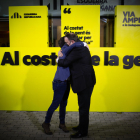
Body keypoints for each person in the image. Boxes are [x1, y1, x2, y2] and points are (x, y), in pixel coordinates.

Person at [42, 36, 86, 135]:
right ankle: (46, 123)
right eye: (67, 42)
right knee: (55, 104)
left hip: (67, 82)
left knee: (63, 104)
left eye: (68, 42)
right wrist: (85, 44)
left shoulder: (69, 51)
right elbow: (77, 44)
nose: (69, 44)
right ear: (65, 43)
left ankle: (62, 124)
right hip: (60, 82)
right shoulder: (65, 49)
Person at [57, 33, 96, 138]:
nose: (66, 45)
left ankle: (83, 132)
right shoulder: (79, 47)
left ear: (72, 42)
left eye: (67, 43)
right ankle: (82, 126)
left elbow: (65, 62)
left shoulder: (78, 49)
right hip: (85, 81)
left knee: (83, 108)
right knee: (82, 107)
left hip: (85, 82)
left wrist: (58, 59)